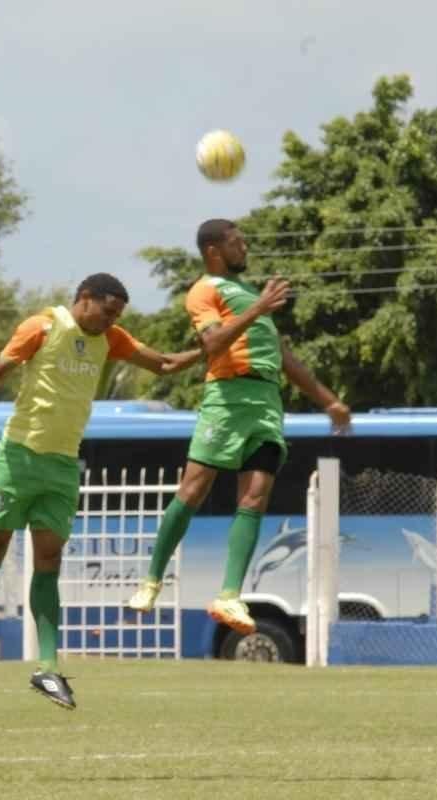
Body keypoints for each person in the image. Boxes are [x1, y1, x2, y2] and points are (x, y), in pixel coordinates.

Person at [0, 273, 201, 709]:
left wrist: (214, 347)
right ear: (84, 299)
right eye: (107, 311)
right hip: (17, 457)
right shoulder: (42, 327)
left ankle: (47, 669)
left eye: (117, 316)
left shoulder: (112, 339)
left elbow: (163, 364)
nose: (111, 321)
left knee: (48, 562)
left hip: (63, 465)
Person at [127, 219, 351, 635]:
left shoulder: (249, 295)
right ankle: (151, 580)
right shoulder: (204, 290)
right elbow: (212, 344)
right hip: (227, 399)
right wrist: (258, 308)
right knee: (194, 489)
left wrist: (330, 401)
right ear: (214, 250)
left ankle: (230, 595)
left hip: (266, 403)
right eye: (237, 241)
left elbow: (285, 359)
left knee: (255, 497)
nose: (245, 247)